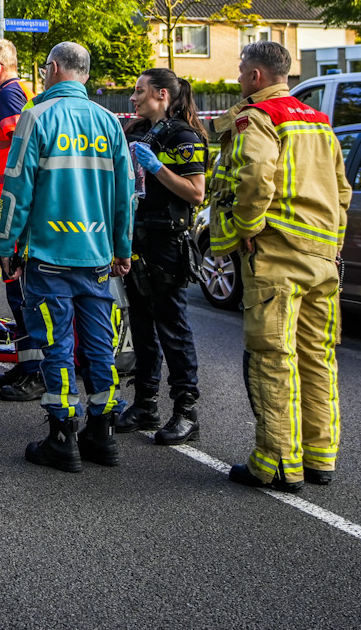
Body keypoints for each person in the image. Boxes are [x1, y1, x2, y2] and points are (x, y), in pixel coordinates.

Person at [208, 40, 351, 493]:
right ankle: (319, 457)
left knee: (273, 357)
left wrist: (246, 227)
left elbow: (255, 174)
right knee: (318, 357)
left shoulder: (261, 118)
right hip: (322, 256)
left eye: (240, 70)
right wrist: (333, 238)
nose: (237, 78)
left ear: (255, 76)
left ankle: (274, 464)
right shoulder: (320, 122)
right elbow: (343, 190)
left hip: (277, 254)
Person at [0, 42, 135, 473]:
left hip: (49, 257)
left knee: (56, 347)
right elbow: (124, 195)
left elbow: (16, 191)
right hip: (95, 257)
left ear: (53, 69)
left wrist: (7, 248)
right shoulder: (109, 121)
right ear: (87, 75)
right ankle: (103, 434)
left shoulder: (36, 117)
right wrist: (122, 249)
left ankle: (62, 438)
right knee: (98, 348)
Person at [118, 68, 209, 445]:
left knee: (172, 326)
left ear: (161, 94)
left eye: (140, 91)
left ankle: (186, 411)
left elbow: (196, 193)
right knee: (140, 324)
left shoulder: (183, 137)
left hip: (167, 241)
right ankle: (145, 403)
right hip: (137, 240)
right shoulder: (136, 132)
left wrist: (158, 168)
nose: (133, 98)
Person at [0, 37, 42, 400]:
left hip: (11, 208)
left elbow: (23, 148)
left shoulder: (8, 96)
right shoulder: (9, 95)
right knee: (17, 292)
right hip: (9, 206)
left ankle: (36, 370)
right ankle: (27, 361)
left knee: (21, 290)